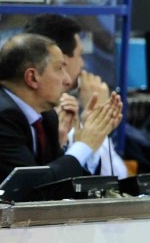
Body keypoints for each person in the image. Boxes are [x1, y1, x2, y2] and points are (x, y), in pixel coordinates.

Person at [0, 33, 121, 183]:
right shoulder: (3, 117)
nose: (68, 80)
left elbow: (61, 183)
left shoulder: (47, 117)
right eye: (59, 69)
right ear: (32, 77)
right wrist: (84, 145)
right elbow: (32, 186)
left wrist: (92, 137)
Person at [24, 13, 128, 179]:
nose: (82, 63)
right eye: (80, 54)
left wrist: (94, 124)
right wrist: (96, 121)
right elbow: (115, 176)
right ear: (62, 60)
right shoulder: (44, 114)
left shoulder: (67, 108)